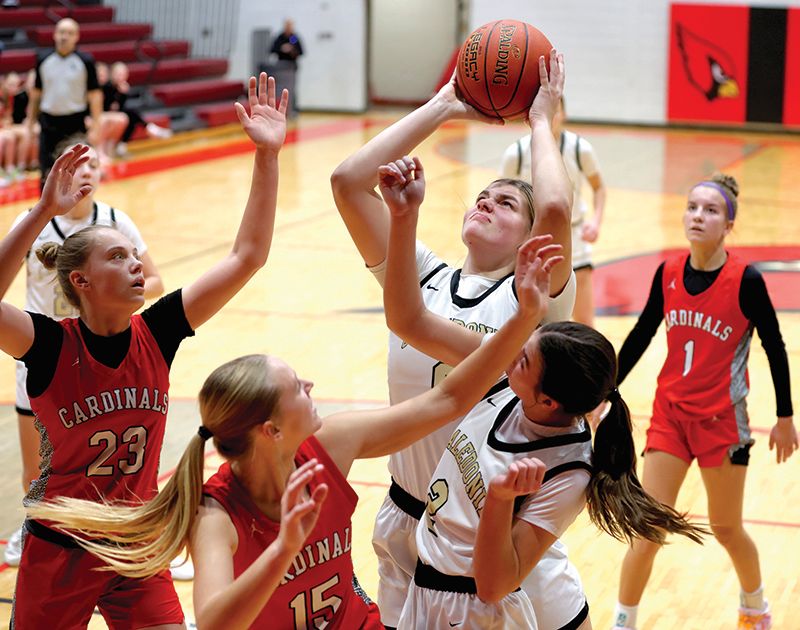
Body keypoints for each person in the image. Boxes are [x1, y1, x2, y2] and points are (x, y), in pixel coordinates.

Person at [24, 235, 556, 629]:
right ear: (272, 429)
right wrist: (283, 548)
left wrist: (523, 317)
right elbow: (210, 624)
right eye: (296, 387)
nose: (311, 383)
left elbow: (449, 398)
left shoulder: (332, 445)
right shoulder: (216, 515)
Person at [0, 72, 288, 628]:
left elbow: (248, 255)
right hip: (61, 548)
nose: (136, 263)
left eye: (135, 254)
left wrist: (267, 156)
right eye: (117, 257)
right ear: (79, 281)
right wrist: (40, 213)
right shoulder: (50, 343)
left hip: (136, 545)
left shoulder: (157, 331)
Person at [375, 166, 704, 629]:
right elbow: (411, 321)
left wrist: (500, 500)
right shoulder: (501, 389)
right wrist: (405, 216)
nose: (507, 356)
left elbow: (494, 584)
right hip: (433, 591)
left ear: (547, 400)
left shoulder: (566, 468)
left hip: (494, 605)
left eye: (522, 358)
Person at [332, 50, 592, 630]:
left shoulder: (530, 305)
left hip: (491, 532)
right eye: (483, 196)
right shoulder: (418, 273)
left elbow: (553, 204)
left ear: (533, 243)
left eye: (505, 203)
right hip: (408, 516)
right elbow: (349, 182)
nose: (486, 202)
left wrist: (542, 121)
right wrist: (445, 103)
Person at [610, 174, 797, 630]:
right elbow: (641, 333)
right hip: (670, 416)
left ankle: (755, 607)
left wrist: (785, 417)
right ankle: (623, 622)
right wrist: (605, 388)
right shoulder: (669, 272)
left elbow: (774, 345)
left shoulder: (745, 280)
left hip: (722, 422)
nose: (698, 216)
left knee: (726, 527)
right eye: (692, 207)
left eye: (711, 210)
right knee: (649, 526)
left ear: (729, 224)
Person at [2, 135, 163, 569]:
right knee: (38, 466)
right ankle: (33, 530)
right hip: (43, 351)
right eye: (78, 165)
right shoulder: (32, 223)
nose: (87, 172)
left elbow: (157, 281)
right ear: (59, 172)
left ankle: (132, 532)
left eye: (94, 164)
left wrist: (109, 304)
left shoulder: (115, 222)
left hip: (96, 346)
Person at [501, 97, 606, 327]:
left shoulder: (580, 149)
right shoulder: (516, 153)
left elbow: (599, 187)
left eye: (555, 111)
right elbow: (502, 197)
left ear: (564, 114)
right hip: (531, 242)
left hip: (574, 239)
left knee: (584, 323)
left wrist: (596, 221)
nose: (551, 117)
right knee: (533, 322)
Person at [26, 18, 103, 186]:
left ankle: (73, 211)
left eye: (69, 33)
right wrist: (30, 121)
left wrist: (96, 126)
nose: (64, 37)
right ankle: (46, 211)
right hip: (48, 122)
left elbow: (95, 95)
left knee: (75, 170)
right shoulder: (43, 59)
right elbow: (36, 94)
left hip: (75, 123)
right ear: (54, 35)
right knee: (46, 171)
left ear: (77, 37)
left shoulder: (86, 61)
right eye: (61, 32)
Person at [103, 62, 172, 158]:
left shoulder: (122, 87)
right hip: (104, 114)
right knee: (132, 114)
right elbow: (109, 107)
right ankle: (150, 129)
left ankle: (122, 145)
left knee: (132, 118)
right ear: (112, 74)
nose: (120, 77)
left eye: (123, 74)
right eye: (118, 74)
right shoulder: (107, 87)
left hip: (115, 114)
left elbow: (119, 107)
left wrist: (123, 94)